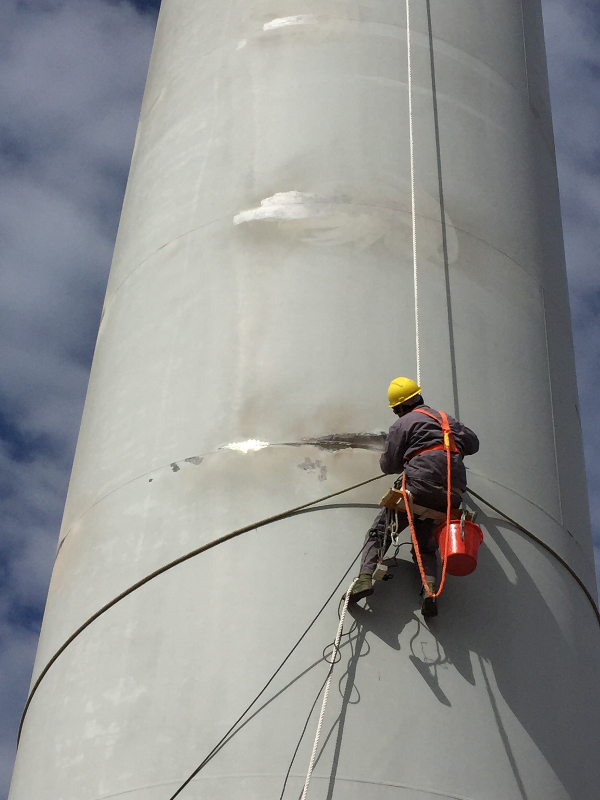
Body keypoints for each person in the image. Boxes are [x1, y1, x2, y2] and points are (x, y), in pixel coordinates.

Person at [349, 377, 479, 617]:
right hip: (452, 494)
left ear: (398, 408)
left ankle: (365, 578)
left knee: (380, 531)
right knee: (426, 545)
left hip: (419, 486)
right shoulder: (447, 420)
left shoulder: (403, 424)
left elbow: (390, 465)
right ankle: (429, 590)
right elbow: (473, 444)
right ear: (418, 397)